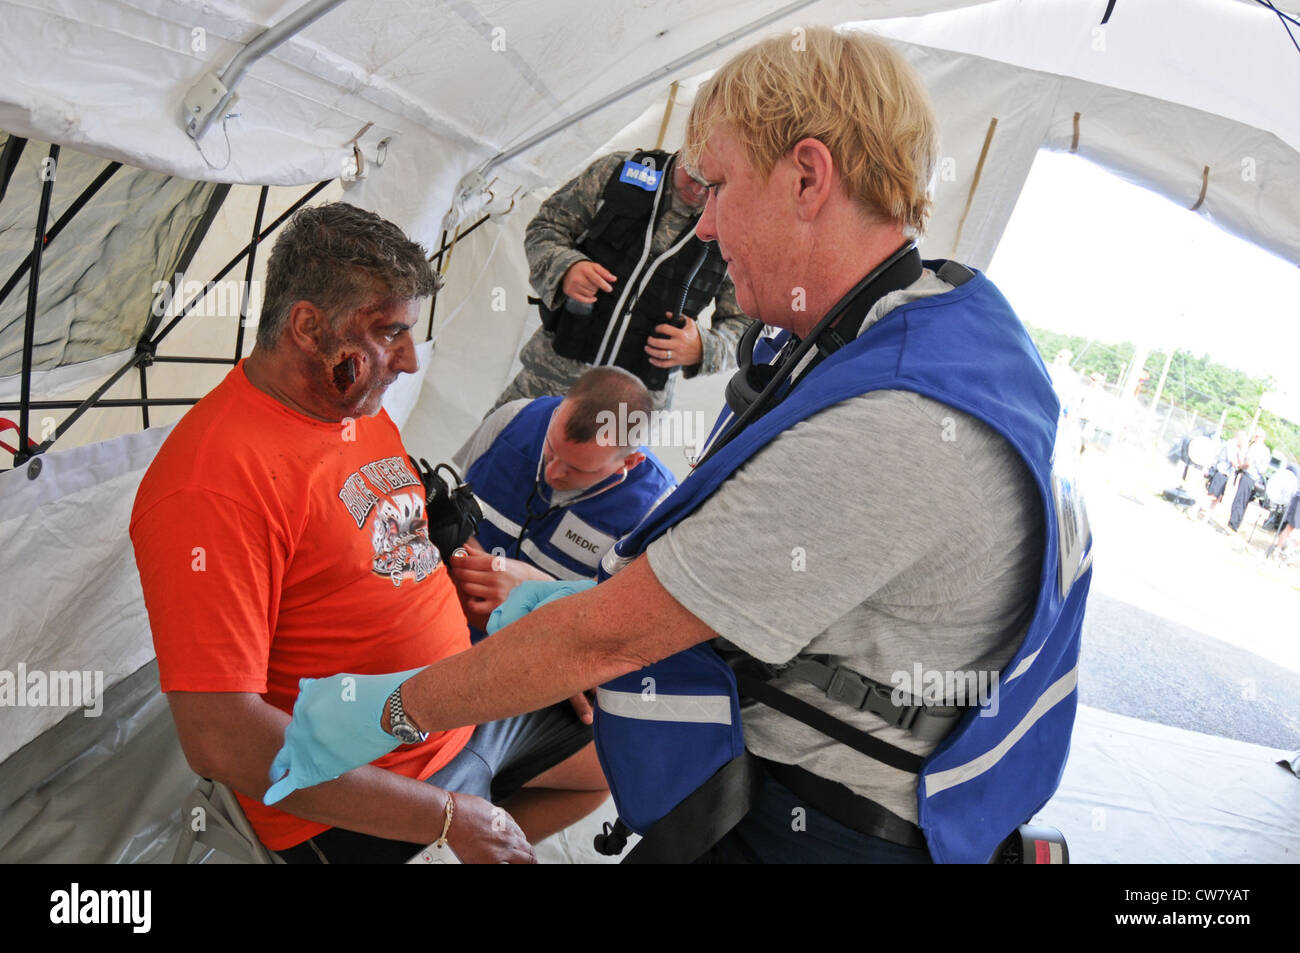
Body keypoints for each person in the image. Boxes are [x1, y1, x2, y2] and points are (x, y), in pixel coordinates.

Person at [266, 29, 1092, 865]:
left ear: (808, 176)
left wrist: (380, 714)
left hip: (822, 828)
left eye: (723, 186)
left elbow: (611, 638)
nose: (704, 226)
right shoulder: (914, 330)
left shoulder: (894, 417)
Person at [129, 202, 606, 864]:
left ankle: (480, 824)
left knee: (609, 749)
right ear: (306, 327)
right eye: (390, 332)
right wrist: (448, 818)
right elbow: (222, 737)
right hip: (370, 786)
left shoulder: (351, 405)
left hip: (454, 711)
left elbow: (404, 537)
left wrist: (527, 622)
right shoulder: (213, 483)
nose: (410, 360)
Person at [490, 147, 752, 412]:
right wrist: (566, 268)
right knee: (497, 449)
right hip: (546, 381)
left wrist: (703, 348)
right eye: (693, 173)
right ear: (684, 148)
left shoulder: (738, 225)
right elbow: (545, 228)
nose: (697, 190)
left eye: (712, 185)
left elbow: (749, 324)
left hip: (631, 411)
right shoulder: (619, 171)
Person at [447, 366, 677, 635]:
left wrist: (543, 591)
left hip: (525, 654)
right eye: (551, 449)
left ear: (628, 462)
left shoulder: (654, 509)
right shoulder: (514, 417)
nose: (552, 472)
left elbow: (624, 622)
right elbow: (456, 497)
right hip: (442, 617)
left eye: (577, 469)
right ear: (557, 413)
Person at [1228, 431, 1271, 532]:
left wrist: (1240, 467)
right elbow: (1263, 469)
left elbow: (1248, 463)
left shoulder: (1255, 448)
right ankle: (1236, 524)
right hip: (1256, 480)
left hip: (1248, 477)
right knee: (1244, 503)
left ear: (1257, 437)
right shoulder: (1266, 451)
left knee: (1239, 501)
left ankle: (1232, 525)